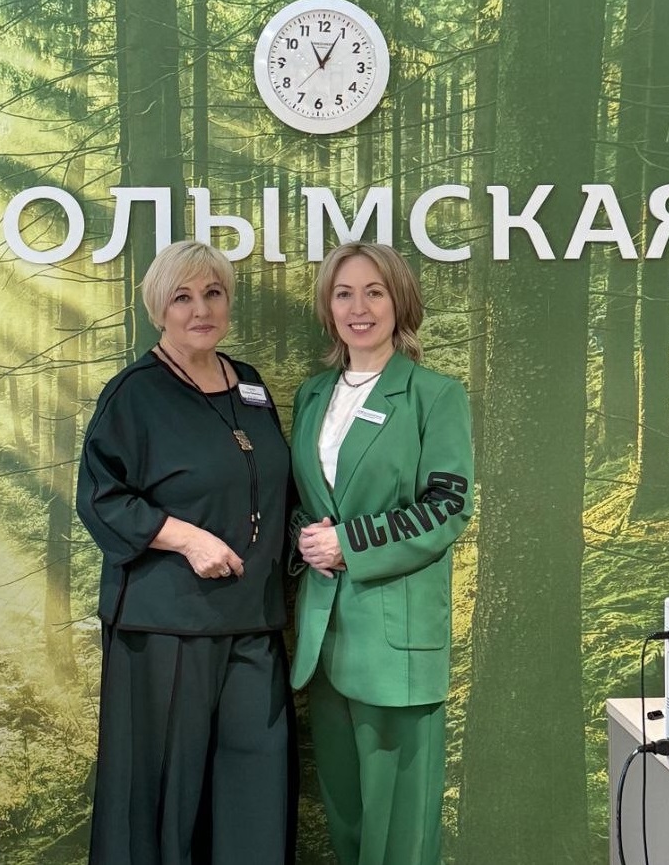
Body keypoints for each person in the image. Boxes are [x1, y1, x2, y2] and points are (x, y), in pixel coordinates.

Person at [77, 241, 294, 865]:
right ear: (158, 310)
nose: (201, 309)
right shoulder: (133, 394)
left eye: (213, 293)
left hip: (253, 622)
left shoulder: (249, 384)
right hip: (166, 629)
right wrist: (188, 538)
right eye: (183, 297)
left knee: (255, 793)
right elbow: (102, 498)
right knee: (163, 802)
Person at [290, 243, 474, 865]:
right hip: (326, 642)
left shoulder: (434, 395)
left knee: (400, 838)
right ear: (328, 307)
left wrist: (348, 544)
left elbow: (448, 506)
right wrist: (307, 539)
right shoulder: (312, 396)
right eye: (344, 294)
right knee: (346, 824)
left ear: (400, 302)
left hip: (397, 646)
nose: (359, 308)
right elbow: (308, 502)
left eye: (375, 292)